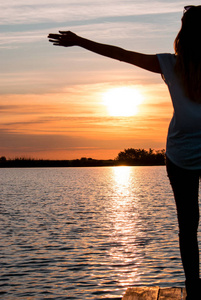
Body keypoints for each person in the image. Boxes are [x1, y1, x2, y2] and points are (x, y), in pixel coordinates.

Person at [48, 5, 201, 299]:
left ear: (183, 35)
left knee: (188, 226)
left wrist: (80, 40)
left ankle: (194, 287)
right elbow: (121, 54)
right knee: (189, 224)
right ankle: (195, 287)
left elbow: (121, 53)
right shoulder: (170, 65)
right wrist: (81, 41)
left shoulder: (170, 64)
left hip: (179, 156)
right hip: (181, 158)